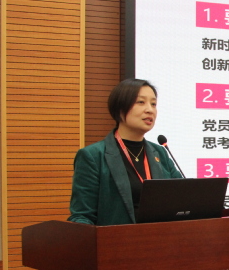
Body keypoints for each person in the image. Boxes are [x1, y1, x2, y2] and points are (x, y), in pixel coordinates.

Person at [68, 79, 182, 225]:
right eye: (141, 102)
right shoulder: (93, 156)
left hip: (160, 237)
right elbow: (82, 216)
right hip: (117, 238)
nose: (150, 110)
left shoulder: (160, 152)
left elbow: (182, 200)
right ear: (120, 108)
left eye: (153, 104)